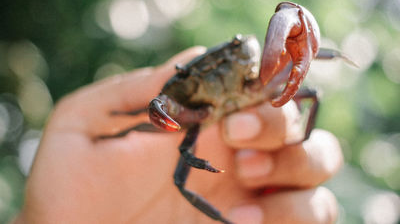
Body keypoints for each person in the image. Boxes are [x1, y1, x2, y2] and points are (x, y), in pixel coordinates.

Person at [13, 47, 343, 224]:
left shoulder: (261, 76)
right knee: (180, 178)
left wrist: (300, 141)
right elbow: (155, 106)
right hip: (194, 112)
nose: (217, 73)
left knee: (310, 92)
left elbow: (299, 58)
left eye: (231, 56)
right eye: (201, 73)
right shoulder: (180, 103)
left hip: (244, 100)